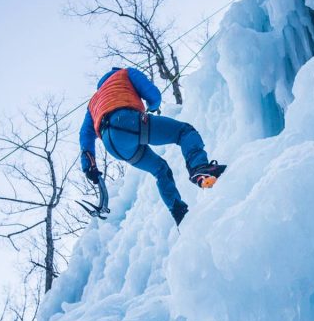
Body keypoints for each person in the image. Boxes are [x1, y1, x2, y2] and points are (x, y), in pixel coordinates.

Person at [79, 67, 225, 225]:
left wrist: (89, 167)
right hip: (128, 122)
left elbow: (85, 135)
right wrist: (153, 107)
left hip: (114, 146)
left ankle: (178, 212)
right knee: (184, 132)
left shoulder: (93, 101)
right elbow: (153, 95)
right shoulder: (125, 73)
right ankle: (200, 169)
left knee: (160, 170)